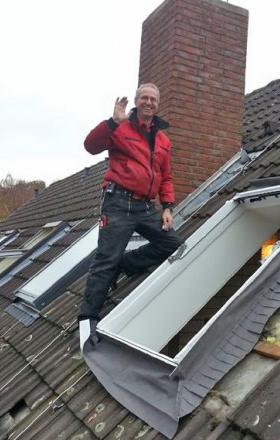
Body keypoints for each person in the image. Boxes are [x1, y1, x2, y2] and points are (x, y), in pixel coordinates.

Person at [78, 83, 183, 323]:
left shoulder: (163, 140)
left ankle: (125, 264)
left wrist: (167, 206)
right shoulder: (120, 127)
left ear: (158, 105)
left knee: (173, 245)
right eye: (144, 98)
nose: (148, 102)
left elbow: (166, 176)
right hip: (118, 202)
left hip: (145, 207)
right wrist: (113, 122)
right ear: (136, 102)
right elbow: (90, 146)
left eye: (153, 99)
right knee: (106, 260)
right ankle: (87, 319)